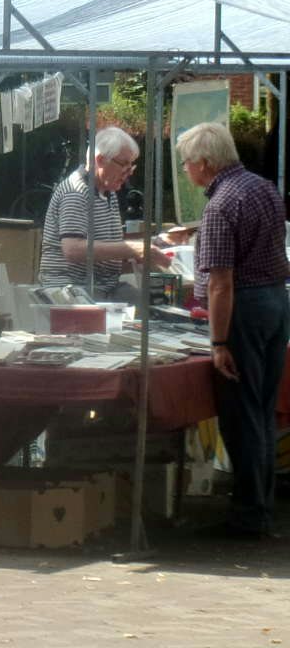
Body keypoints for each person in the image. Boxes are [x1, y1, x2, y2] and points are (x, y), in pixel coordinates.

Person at [178, 122, 290, 539]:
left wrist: (219, 342)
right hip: (275, 302)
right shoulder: (262, 188)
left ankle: (249, 515)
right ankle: (260, 508)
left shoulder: (221, 205)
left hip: (244, 308)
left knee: (242, 416)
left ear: (204, 164)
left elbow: (222, 282)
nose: (186, 171)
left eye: (187, 163)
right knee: (261, 413)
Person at [37, 126, 169, 294]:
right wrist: (134, 249)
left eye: (131, 167)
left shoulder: (108, 192)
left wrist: (155, 244)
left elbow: (109, 251)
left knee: (152, 307)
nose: (128, 174)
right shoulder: (76, 192)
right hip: (72, 291)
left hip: (104, 287)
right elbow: (73, 249)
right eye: (124, 166)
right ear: (100, 160)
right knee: (144, 311)